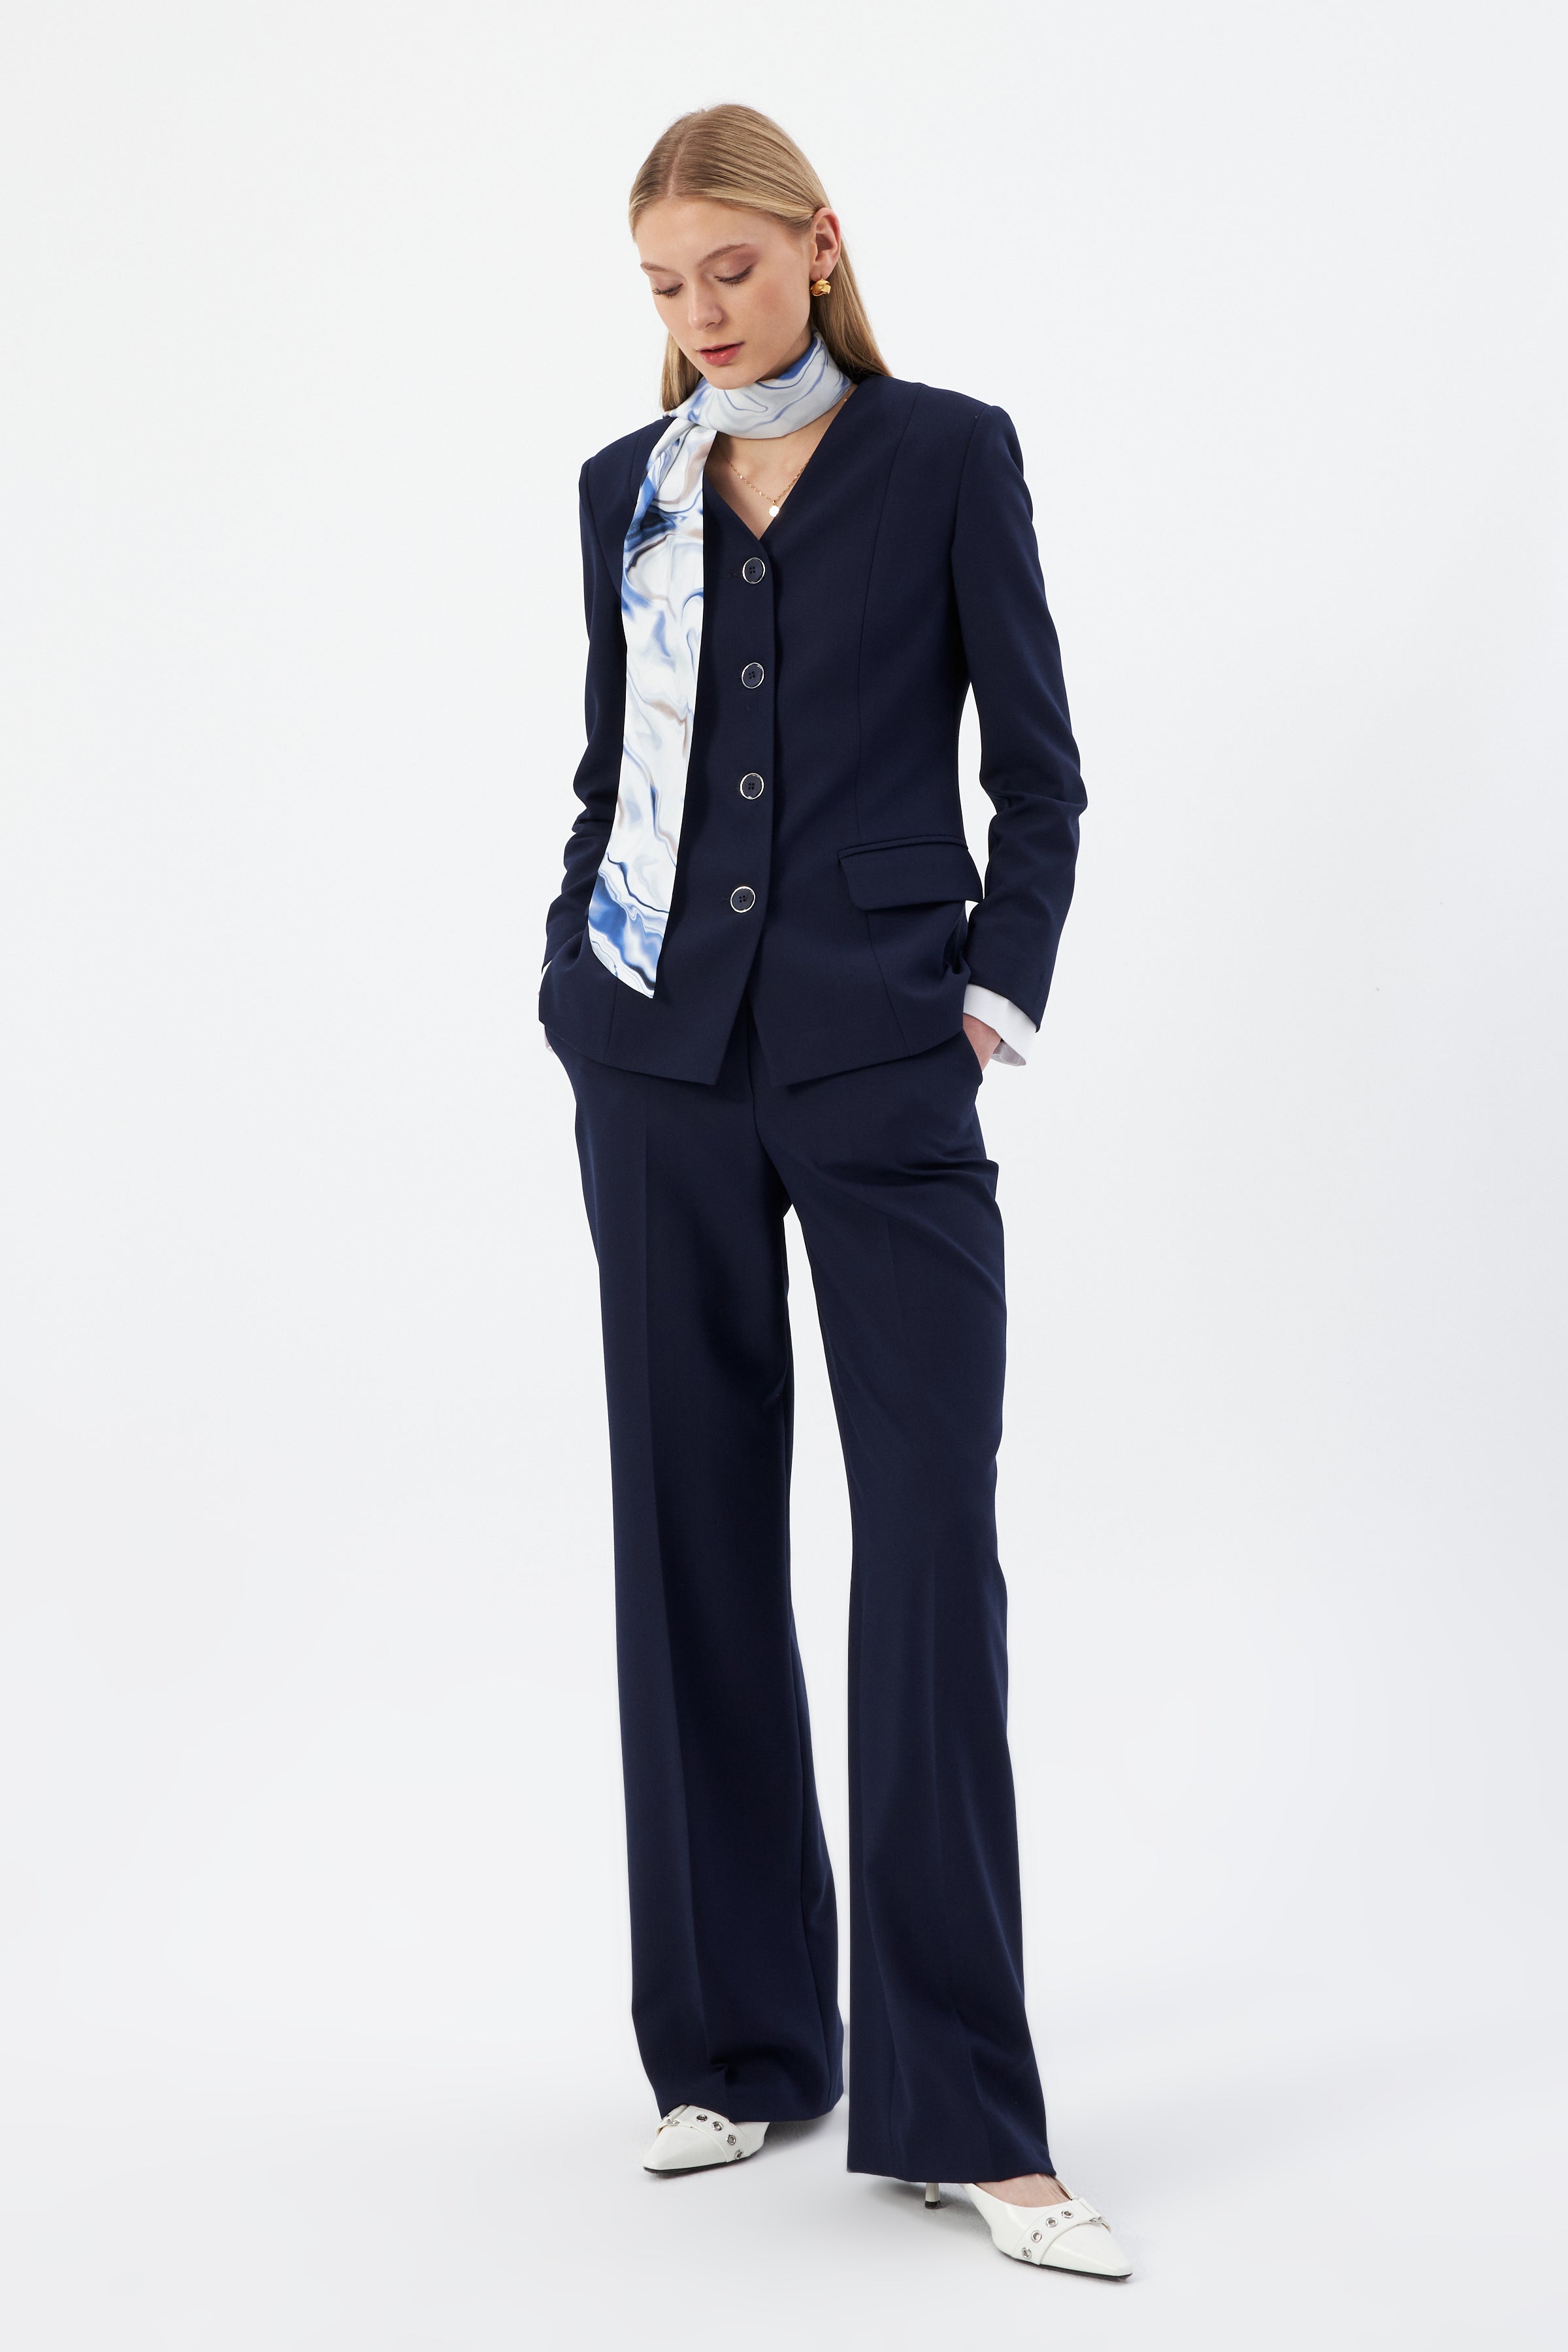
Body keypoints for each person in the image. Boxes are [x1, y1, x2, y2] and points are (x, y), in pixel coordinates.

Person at [540, 103, 1130, 2280]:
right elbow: (613, 772)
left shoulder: (948, 455)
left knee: (928, 1556)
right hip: (657, 1069)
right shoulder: (627, 490)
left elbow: (1040, 778)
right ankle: (736, 2044)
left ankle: (967, 2109)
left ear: (818, 247)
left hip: (887, 1065)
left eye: (731, 268)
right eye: (664, 284)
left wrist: (987, 1000)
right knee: (686, 1534)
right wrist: (574, 984)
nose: (700, 314)